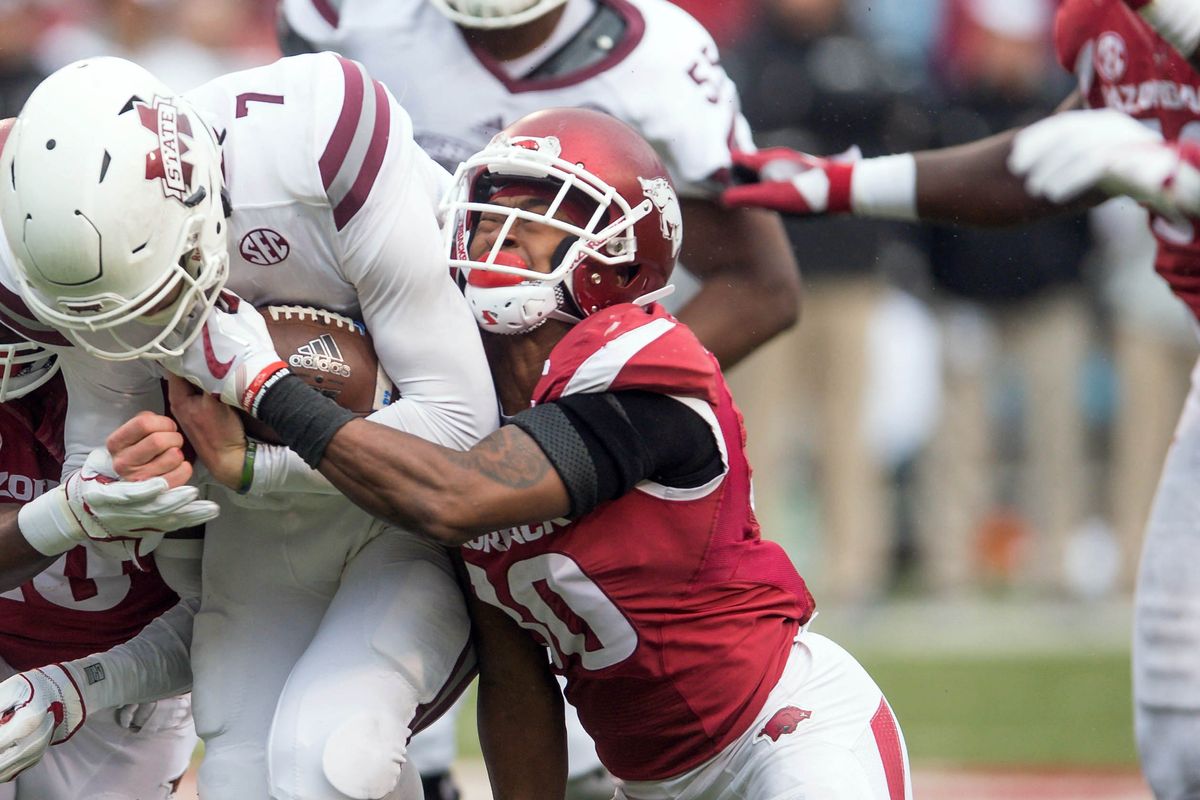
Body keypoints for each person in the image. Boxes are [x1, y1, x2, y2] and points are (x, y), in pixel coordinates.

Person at [123, 107, 912, 799]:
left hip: (784, 730)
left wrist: (264, 387)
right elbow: (514, 676)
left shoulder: (642, 373)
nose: (499, 237)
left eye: (538, 217)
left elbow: (455, 495)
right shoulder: (468, 394)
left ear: (618, 251)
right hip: (652, 782)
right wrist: (255, 468)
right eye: (490, 212)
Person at [721, 0, 1200, 795]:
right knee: (1177, 720)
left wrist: (1182, 180)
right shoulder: (1097, 24)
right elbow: (1046, 162)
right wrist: (845, 184)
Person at [0, 53, 496, 800]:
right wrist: (108, 497)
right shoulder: (78, 267)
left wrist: (263, 414)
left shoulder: (315, 144)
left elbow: (465, 435)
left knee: (331, 760)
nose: (143, 334)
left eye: (157, 296)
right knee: (240, 774)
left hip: (419, 508)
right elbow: (154, 537)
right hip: (267, 524)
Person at [278, 0, 800, 370]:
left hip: (553, 364)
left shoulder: (659, 57)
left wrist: (608, 397)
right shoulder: (350, 16)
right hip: (376, 344)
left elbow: (761, 286)